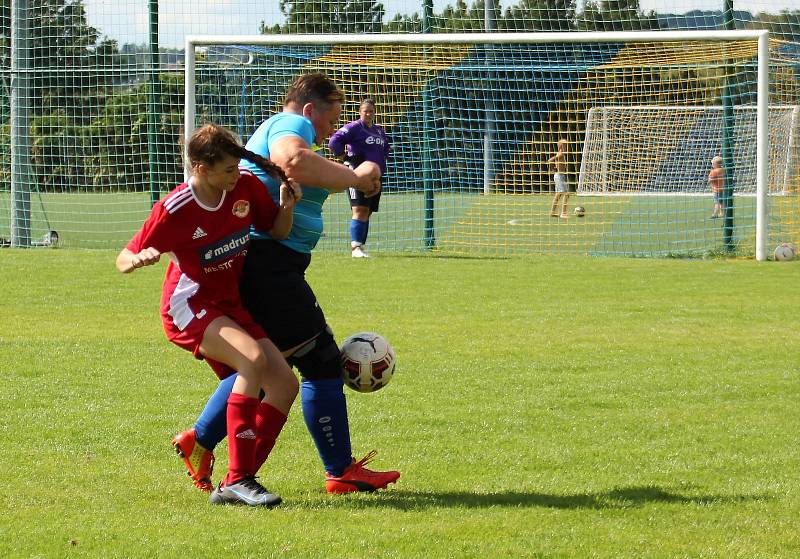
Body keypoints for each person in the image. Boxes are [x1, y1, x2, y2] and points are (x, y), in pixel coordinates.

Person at [171, 73, 400, 495]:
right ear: (310, 109)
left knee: (269, 366)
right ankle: (328, 470)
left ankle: (201, 442)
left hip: (274, 264)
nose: (332, 129)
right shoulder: (290, 125)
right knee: (319, 360)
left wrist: (350, 175)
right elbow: (291, 162)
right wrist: (355, 176)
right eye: (331, 118)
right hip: (268, 265)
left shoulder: (298, 132)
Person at [116, 123, 301, 507]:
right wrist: (138, 258)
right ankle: (240, 480)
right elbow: (123, 258)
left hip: (228, 303)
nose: (238, 176)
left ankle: (237, 480)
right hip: (188, 304)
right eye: (228, 171)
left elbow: (279, 232)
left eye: (237, 168)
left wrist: (287, 206)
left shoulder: (245, 188)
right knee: (251, 361)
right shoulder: (175, 208)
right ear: (201, 168)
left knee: (283, 384)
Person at [328, 98, 391, 258]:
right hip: (357, 174)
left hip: (375, 177)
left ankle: (360, 247)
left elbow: (385, 150)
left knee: (367, 211)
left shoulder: (379, 131)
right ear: (360, 112)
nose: (368, 114)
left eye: (371, 111)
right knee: (359, 209)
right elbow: (334, 140)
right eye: (365, 111)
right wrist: (344, 157)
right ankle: (355, 248)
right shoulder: (354, 128)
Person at [548, 139, 570, 219]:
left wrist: (553, 168)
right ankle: (563, 213)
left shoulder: (561, 154)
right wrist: (553, 168)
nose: (567, 147)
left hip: (559, 175)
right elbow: (550, 160)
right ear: (561, 146)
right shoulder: (560, 154)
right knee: (566, 194)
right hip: (559, 176)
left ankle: (552, 212)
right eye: (565, 145)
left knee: (558, 194)